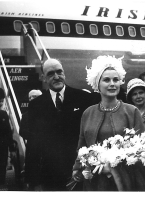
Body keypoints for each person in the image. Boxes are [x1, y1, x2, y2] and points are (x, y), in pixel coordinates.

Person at [72, 55, 145, 191]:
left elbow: (140, 149)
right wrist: (77, 167)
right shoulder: (88, 113)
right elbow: (82, 144)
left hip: (125, 181)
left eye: (116, 79)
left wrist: (112, 168)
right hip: (94, 179)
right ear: (98, 84)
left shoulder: (131, 111)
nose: (112, 84)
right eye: (106, 80)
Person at [26, 58, 92, 191]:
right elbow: (33, 145)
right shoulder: (35, 105)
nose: (56, 77)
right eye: (50, 74)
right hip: (50, 174)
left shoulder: (83, 98)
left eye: (59, 72)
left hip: (79, 171)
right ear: (43, 78)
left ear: (64, 74)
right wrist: (33, 179)